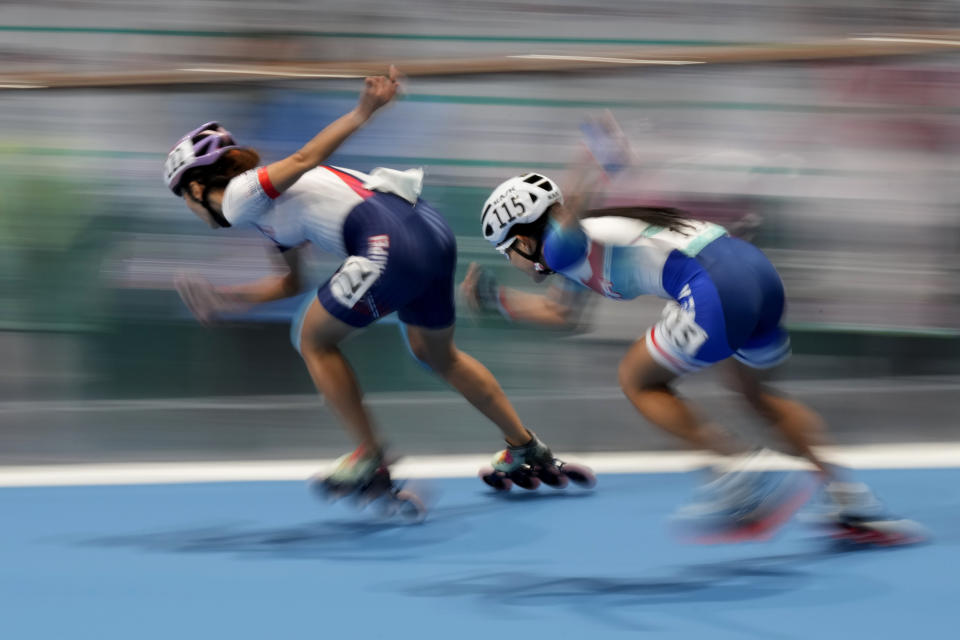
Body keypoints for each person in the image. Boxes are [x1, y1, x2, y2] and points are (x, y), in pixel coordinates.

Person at [163, 67, 587, 510]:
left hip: (388, 239)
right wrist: (227, 298)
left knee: (311, 337)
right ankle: (524, 448)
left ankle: (370, 457)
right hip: (427, 229)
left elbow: (307, 157)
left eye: (184, 200)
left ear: (195, 187)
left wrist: (364, 111)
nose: (191, 209)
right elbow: (293, 282)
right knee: (436, 354)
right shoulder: (268, 213)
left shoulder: (237, 197)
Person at [461, 167, 925, 545]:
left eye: (508, 253)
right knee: (757, 396)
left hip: (714, 288)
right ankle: (850, 498)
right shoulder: (585, 241)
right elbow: (564, 314)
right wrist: (500, 300)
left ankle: (740, 470)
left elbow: (563, 229)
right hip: (754, 274)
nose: (513, 263)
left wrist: (593, 161)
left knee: (637, 379)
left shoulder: (565, 244)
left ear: (523, 240)